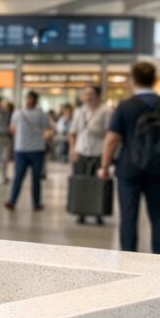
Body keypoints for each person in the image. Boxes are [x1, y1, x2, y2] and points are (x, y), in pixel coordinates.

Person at [101, 61, 160, 255]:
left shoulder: (125, 106)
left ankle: (129, 257)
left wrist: (104, 165)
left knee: (129, 216)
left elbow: (112, 138)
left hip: (129, 169)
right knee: (159, 215)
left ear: (133, 80)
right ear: (155, 80)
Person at [69, 84, 110, 224]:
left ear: (97, 95)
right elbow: (72, 132)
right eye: (85, 94)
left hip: (99, 152)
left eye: (90, 93)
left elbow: (109, 135)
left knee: (98, 184)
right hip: (81, 150)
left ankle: (99, 213)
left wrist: (107, 156)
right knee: (81, 182)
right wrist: (73, 150)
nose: (87, 97)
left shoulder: (106, 111)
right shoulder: (79, 111)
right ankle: (81, 212)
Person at [5, 91, 52, 211]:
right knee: (18, 177)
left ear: (35, 100)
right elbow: (12, 128)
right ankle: (12, 201)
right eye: (27, 98)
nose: (28, 101)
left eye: (31, 98)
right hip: (21, 150)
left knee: (36, 178)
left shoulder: (40, 113)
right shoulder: (18, 112)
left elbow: (47, 128)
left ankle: (36, 203)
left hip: (37, 149)